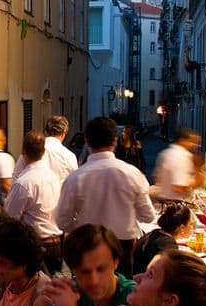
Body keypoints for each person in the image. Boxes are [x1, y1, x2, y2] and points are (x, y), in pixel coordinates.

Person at [55, 117, 157, 276]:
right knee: (121, 294)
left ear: (87, 141)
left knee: (88, 295)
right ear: (115, 141)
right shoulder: (133, 174)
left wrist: (81, 227)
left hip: (87, 247)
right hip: (123, 248)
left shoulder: (75, 178)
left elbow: (62, 220)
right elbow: (148, 216)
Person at [3, 131, 63, 274]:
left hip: (36, 245)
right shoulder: (53, 177)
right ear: (43, 152)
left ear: (23, 151)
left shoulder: (24, 183)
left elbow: (10, 219)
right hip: (56, 244)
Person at [133, 203, 195, 275]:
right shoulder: (168, 245)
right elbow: (160, 270)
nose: (192, 227)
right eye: (191, 224)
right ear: (182, 228)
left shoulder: (155, 233)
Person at [152, 128, 202, 202]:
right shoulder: (182, 156)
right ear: (182, 141)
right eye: (193, 142)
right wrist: (198, 177)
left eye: (197, 143)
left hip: (164, 200)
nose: (197, 145)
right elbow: (179, 188)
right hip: (174, 202)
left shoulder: (167, 153)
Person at [41, 115, 79, 182]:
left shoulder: (32, 149)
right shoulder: (69, 156)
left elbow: (17, 175)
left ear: (46, 131)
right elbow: (75, 182)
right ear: (64, 132)